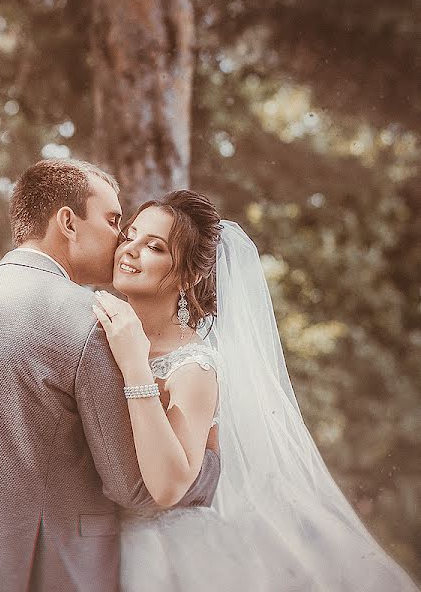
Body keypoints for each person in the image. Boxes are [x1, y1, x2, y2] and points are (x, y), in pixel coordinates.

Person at [0, 160, 220, 592]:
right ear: (68, 222)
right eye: (115, 221)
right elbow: (134, 488)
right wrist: (214, 468)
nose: (122, 241)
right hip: (43, 570)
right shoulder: (92, 324)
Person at [93, 189, 417, 591]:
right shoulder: (98, 322)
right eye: (130, 235)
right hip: (89, 539)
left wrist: (135, 364)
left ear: (189, 276)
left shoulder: (193, 368)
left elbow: (168, 487)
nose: (130, 250)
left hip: (159, 557)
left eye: (154, 246)